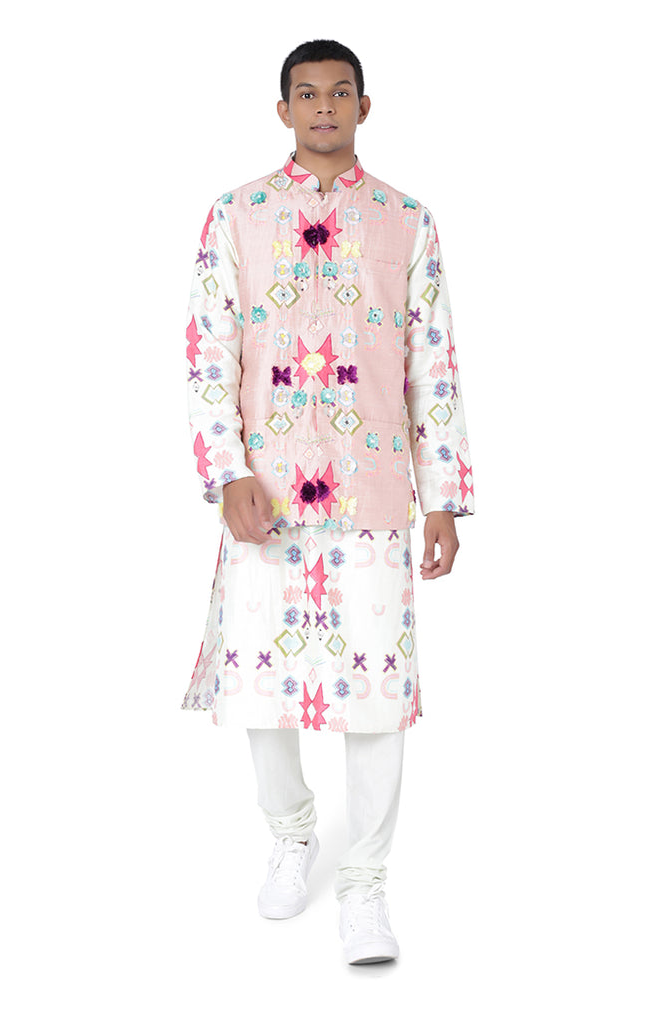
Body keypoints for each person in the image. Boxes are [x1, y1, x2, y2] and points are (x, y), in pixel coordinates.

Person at [181, 38, 475, 966]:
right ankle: (293, 834)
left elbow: (432, 362)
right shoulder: (236, 216)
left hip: (375, 490)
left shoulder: (407, 222)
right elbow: (209, 352)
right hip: (266, 494)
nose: (322, 107)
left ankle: (366, 885)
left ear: (363, 107)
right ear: (283, 111)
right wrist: (227, 471)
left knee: (379, 698)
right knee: (259, 688)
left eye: (338, 93)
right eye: (305, 94)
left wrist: (443, 496)